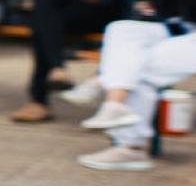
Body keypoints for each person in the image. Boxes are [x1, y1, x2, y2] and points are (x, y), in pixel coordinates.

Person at [67, 18, 196, 171]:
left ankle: (130, 145)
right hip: (181, 26)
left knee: (138, 66)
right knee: (121, 29)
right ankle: (114, 104)